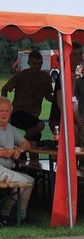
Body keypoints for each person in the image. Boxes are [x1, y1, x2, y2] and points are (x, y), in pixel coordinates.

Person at [1, 50, 54, 144]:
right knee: (40, 125)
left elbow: (48, 96)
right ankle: (19, 145)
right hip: (18, 111)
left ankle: (32, 157)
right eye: (34, 63)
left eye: (39, 64)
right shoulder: (21, 75)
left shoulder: (46, 77)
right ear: (28, 63)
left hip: (33, 115)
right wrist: (6, 108)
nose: (37, 66)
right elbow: (5, 89)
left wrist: (60, 101)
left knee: (36, 136)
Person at [0, 97, 36, 226]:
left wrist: (19, 150)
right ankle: (4, 214)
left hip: (7, 169)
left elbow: (26, 143)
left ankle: (21, 216)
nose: (4, 114)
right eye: (1, 111)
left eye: (7, 111)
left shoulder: (10, 128)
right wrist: (3, 153)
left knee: (30, 181)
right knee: (22, 182)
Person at [48, 42, 84, 136]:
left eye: (80, 54)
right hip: (59, 120)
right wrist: (73, 118)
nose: (78, 57)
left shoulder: (72, 74)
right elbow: (60, 101)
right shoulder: (64, 74)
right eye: (74, 54)